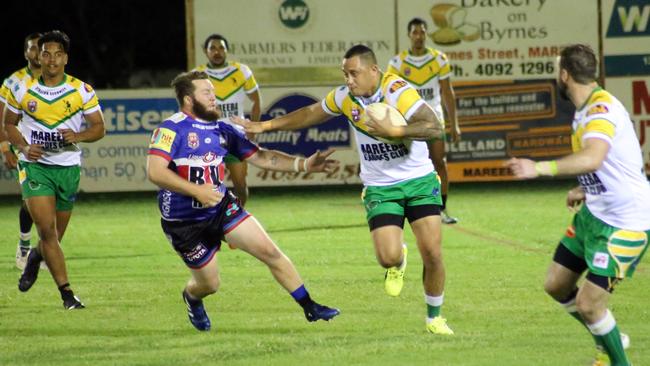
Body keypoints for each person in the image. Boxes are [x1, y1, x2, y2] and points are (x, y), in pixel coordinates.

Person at [234, 45, 454, 335]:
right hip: (380, 186)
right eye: (345, 74)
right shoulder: (344, 97)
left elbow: (433, 126)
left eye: (354, 73)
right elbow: (310, 114)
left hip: (419, 180)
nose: (349, 79)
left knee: (433, 254)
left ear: (374, 71)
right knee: (386, 257)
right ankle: (398, 259)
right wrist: (265, 126)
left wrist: (396, 131)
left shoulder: (397, 90)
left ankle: (434, 318)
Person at [146, 70, 340, 331]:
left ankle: (310, 307)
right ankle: (192, 297)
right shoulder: (170, 129)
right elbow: (155, 172)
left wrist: (303, 164)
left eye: (214, 92)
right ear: (189, 99)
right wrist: (196, 190)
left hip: (220, 208)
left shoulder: (223, 129)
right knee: (209, 285)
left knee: (270, 251)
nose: (214, 98)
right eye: (207, 93)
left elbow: (260, 157)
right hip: (184, 223)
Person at [506, 44, 650, 366]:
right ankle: (608, 335)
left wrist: (539, 167)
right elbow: (610, 164)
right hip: (595, 212)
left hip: (625, 223)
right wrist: (585, 188)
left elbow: (594, 156)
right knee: (556, 285)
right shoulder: (586, 107)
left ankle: (614, 356)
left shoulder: (600, 110)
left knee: (589, 304)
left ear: (564, 75)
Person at [3, 30, 106, 309]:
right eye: (45, 52)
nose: (51, 59)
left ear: (65, 58)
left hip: (67, 168)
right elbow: (9, 124)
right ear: (38, 55)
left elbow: (99, 128)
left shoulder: (81, 90)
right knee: (47, 231)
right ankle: (67, 294)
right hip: (35, 167)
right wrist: (23, 148)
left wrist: (78, 136)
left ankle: (35, 256)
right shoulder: (21, 89)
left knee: (54, 239)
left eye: (57, 54)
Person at [387, 18, 461, 224]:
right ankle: (402, 207)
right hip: (409, 122)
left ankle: (441, 208)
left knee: (439, 162)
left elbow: (447, 92)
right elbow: (389, 94)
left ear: (426, 34)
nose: (419, 36)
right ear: (409, 35)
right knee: (404, 164)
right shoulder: (397, 63)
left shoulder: (439, 59)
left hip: (434, 119)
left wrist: (454, 123)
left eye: (422, 32)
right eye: (415, 33)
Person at [193, 34, 261, 206]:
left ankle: (236, 220)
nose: (217, 52)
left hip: (235, 136)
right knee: (208, 186)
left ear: (226, 50)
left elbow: (256, 101)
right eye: (213, 48)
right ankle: (211, 223)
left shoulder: (241, 71)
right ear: (205, 51)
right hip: (209, 137)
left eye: (221, 48)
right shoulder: (197, 75)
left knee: (240, 185)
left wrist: (252, 129)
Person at [0, 32, 42, 269]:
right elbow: (1, 118)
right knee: (31, 199)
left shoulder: (56, 80)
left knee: (52, 202)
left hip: (51, 149)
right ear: (26, 52)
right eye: (32, 48)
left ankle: (43, 250)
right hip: (25, 149)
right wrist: (6, 148)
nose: (37, 52)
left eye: (40, 48)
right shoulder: (13, 82)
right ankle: (25, 245)